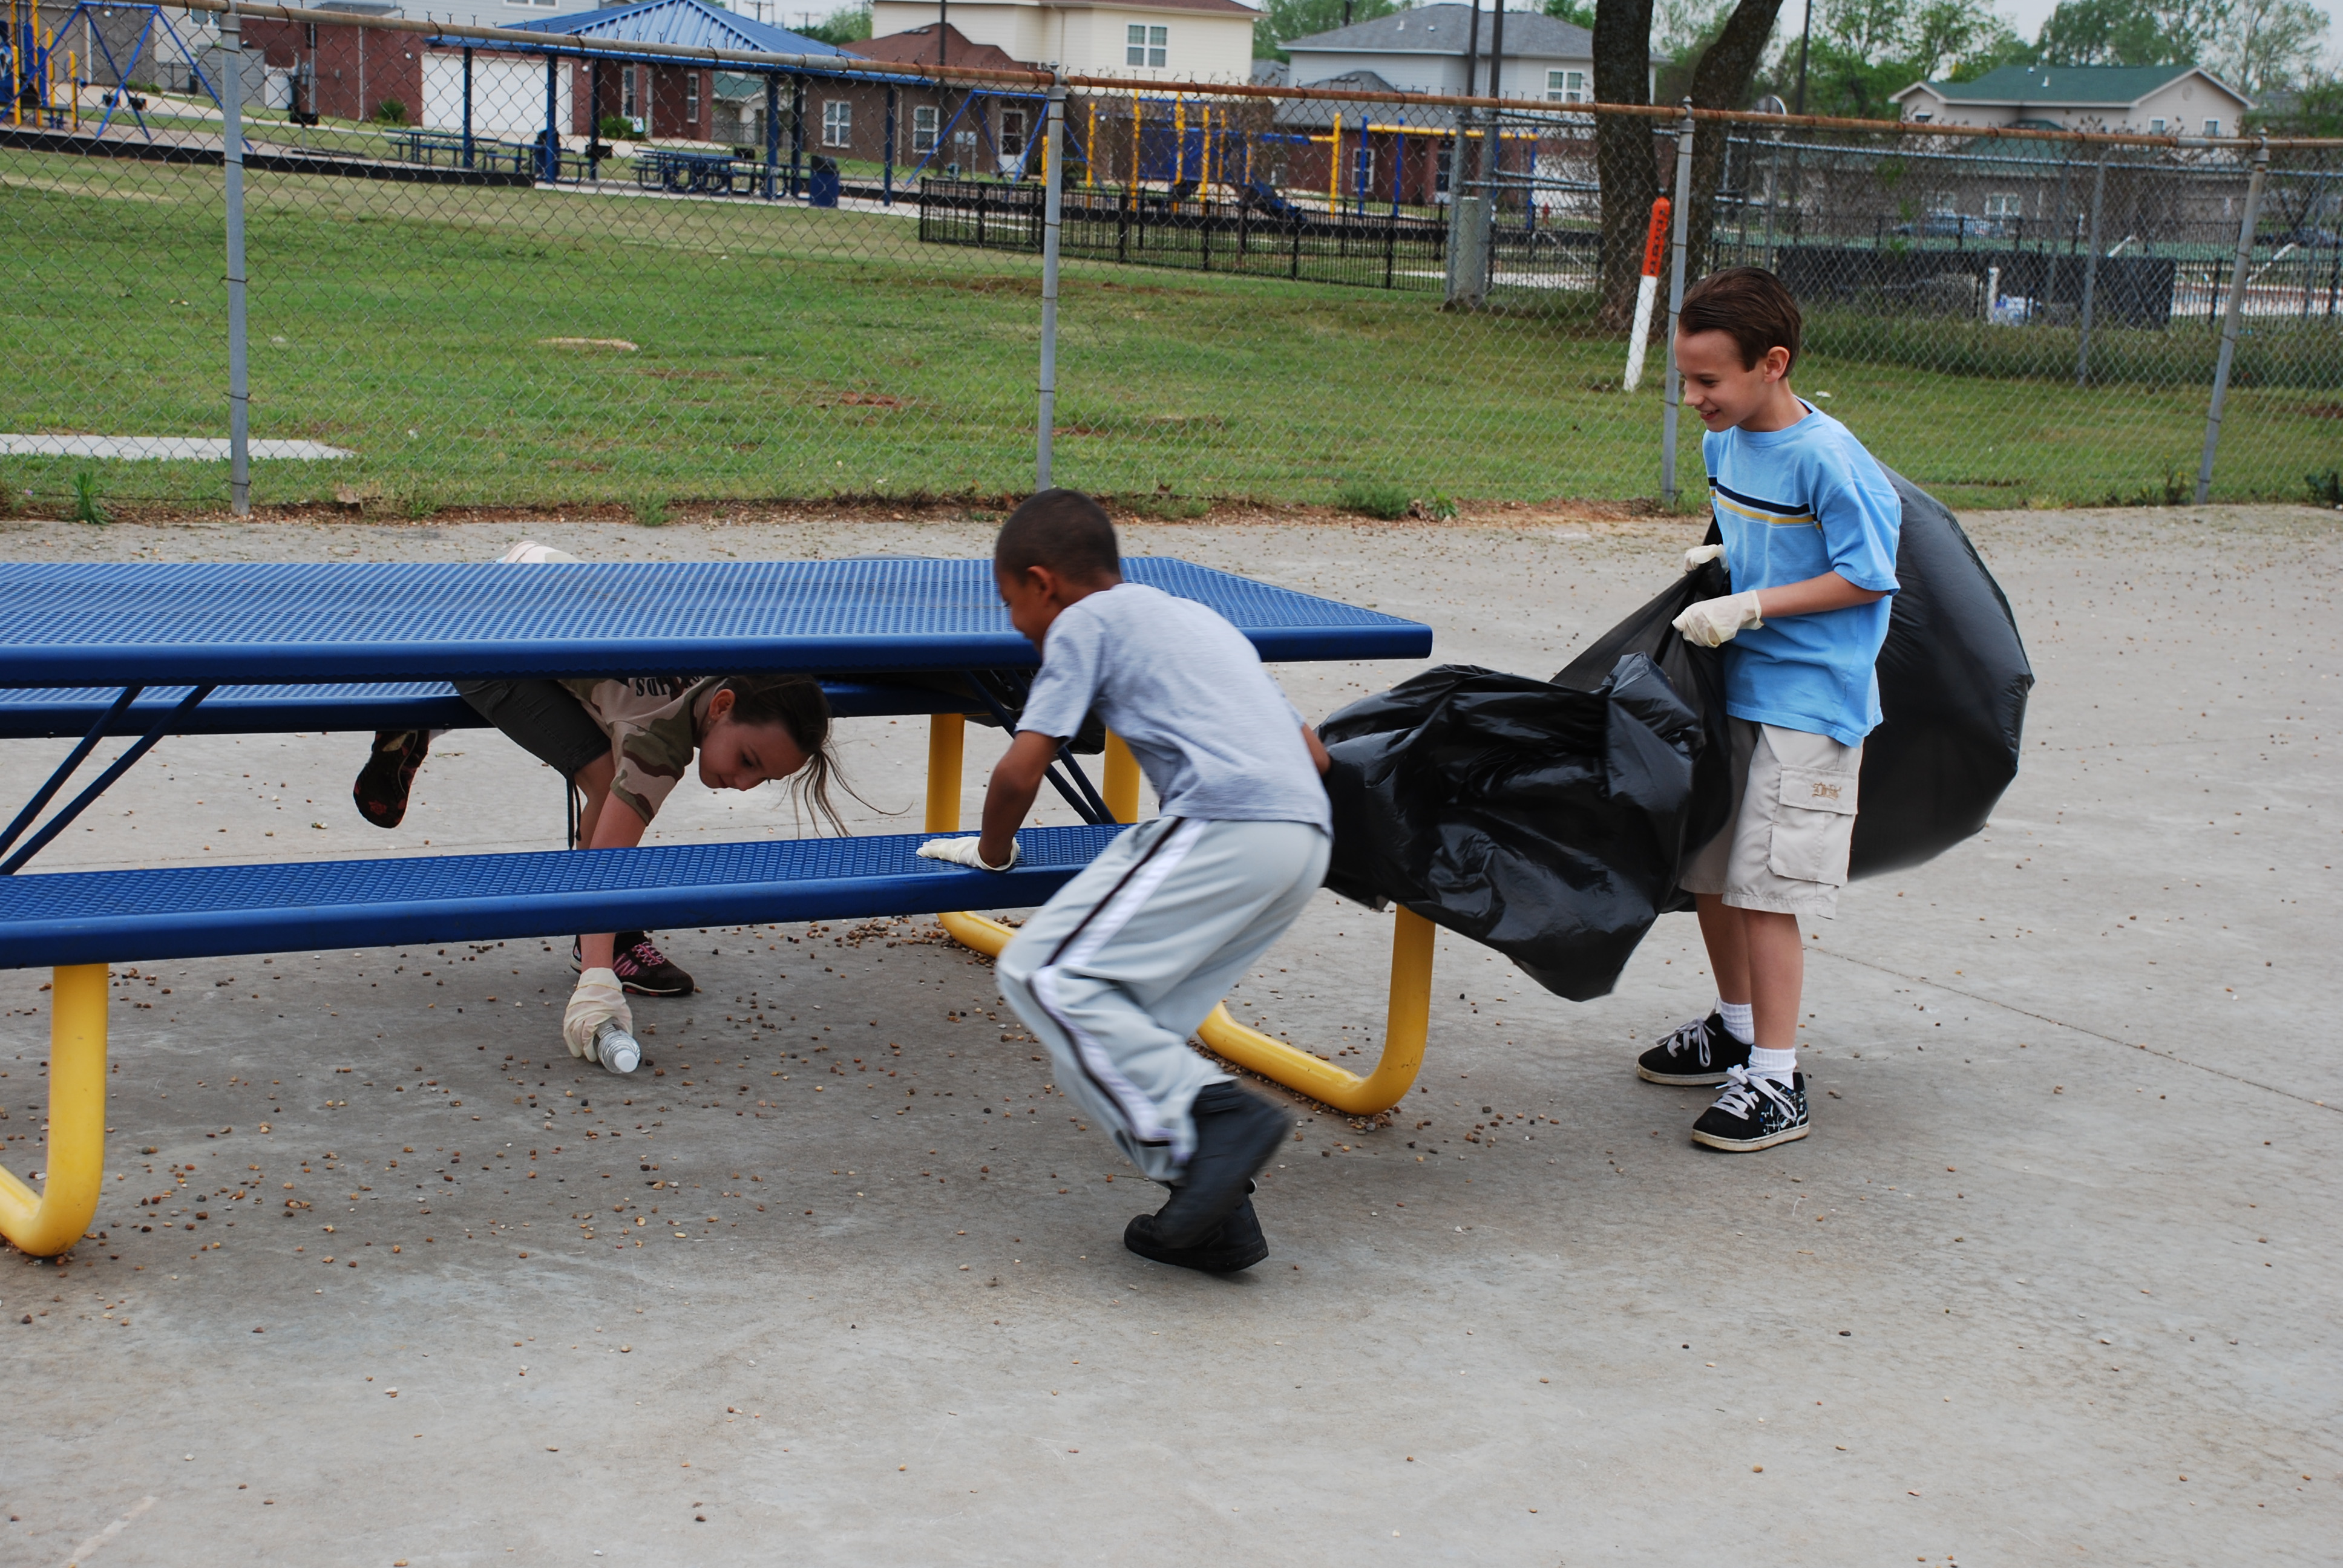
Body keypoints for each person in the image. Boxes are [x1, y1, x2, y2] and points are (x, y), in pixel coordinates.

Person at [919, 490, 1332, 1274]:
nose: (1014, 624)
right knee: (1119, 1028)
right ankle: (1214, 1216)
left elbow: (1020, 767)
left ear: (1045, 583)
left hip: (1226, 823)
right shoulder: (1200, 620)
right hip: (1302, 843)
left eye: (1011, 604)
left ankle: (1216, 1120)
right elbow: (1313, 753)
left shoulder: (1084, 621)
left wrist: (995, 852)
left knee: (1042, 974)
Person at [349, 542, 854, 1062]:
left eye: (763, 778)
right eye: (749, 760)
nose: (744, 785)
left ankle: (419, 725)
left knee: (610, 739)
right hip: (478, 628)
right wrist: (597, 980)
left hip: (542, 572)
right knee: (606, 776)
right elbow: (608, 860)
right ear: (722, 704)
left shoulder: (730, 658)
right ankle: (602, 942)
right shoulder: (660, 742)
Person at [1635, 267, 1900, 1153]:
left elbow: (1867, 574)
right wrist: (1717, 561)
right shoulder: (1727, 445)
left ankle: (1778, 1080)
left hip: (1808, 702)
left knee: (1765, 890)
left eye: (1709, 380)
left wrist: (1753, 606)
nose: (1693, 396)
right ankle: (1737, 1028)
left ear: (1772, 364)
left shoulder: (1829, 460)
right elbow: (1739, 529)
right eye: (1687, 378)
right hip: (1733, 687)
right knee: (1711, 872)